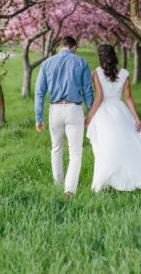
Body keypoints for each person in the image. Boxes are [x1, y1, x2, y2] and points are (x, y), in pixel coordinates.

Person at [85, 44, 141, 192]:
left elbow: (99, 97)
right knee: (123, 145)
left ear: (101, 57)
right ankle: (122, 175)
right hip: (120, 111)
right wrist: (136, 118)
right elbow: (129, 98)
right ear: (114, 56)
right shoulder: (124, 73)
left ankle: (103, 180)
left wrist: (89, 116)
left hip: (103, 113)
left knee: (103, 148)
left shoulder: (96, 73)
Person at [35, 35, 94, 197]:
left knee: (56, 149)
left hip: (55, 110)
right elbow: (88, 91)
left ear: (61, 46)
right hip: (74, 110)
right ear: (74, 48)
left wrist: (38, 117)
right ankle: (69, 190)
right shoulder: (81, 62)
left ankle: (58, 184)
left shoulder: (46, 63)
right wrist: (91, 113)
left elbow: (39, 92)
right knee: (75, 152)